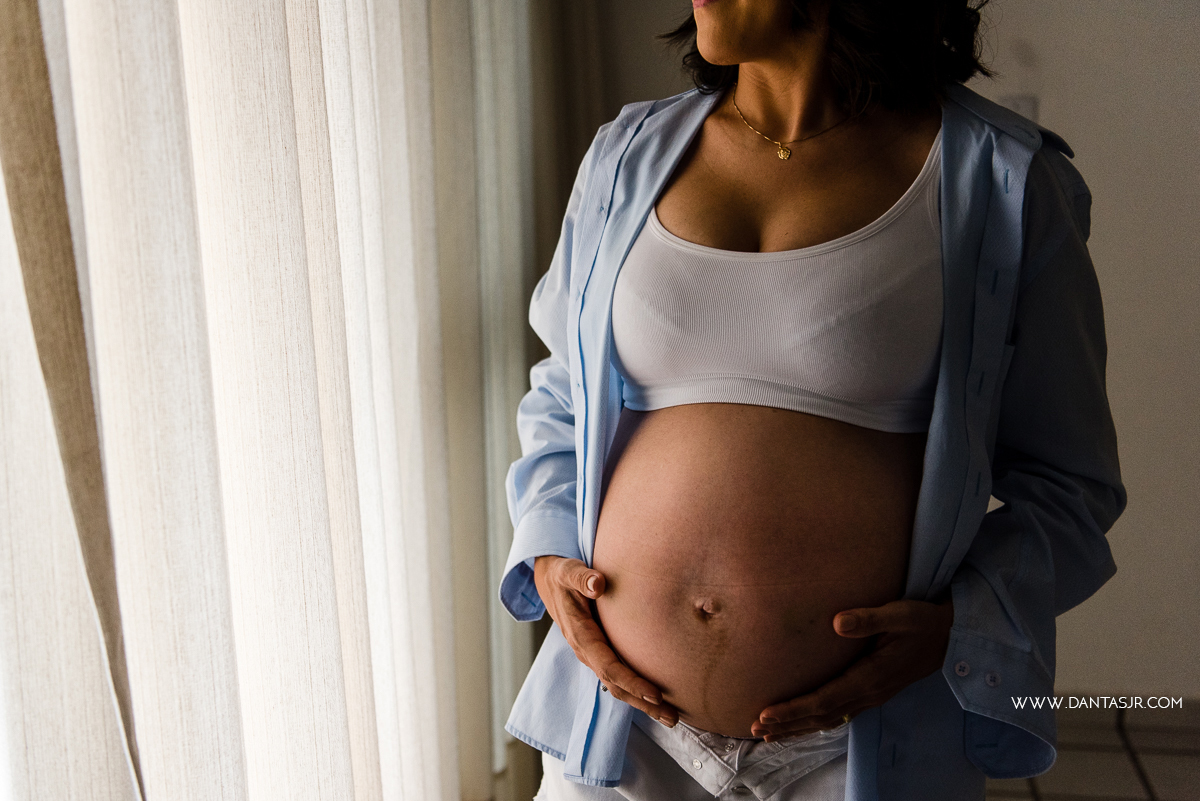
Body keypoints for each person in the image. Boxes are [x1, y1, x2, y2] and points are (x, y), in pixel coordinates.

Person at [499, 1, 1126, 799]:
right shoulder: (626, 155)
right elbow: (563, 391)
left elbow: (1070, 484)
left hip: (857, 744)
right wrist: (548, 547)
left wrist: (961, 623)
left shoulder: (1004, 181)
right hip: (623, 728)